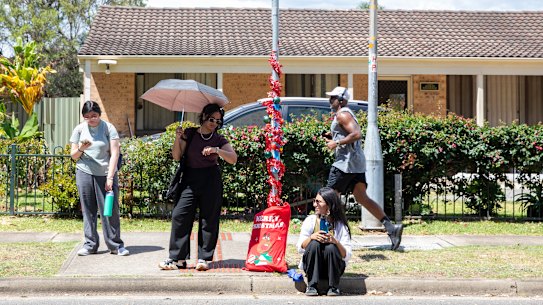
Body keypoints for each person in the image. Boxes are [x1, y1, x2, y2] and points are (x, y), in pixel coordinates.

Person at [159, 103, 237, 271]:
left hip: (211, 179)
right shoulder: (190, 133)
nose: (214, 123)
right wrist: (178, 138)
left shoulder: (219, 139)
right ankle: (177, 259)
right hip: (190, 178)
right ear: (203, 117)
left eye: (218, 121)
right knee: (180, 216)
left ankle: (204, 258)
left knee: (208, 219)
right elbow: (176, 156)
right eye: (211, 119)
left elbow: (233, 158)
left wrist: (217, 150)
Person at [323, 86, 403, 250]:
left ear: (341, 100)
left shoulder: (342, 114)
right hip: (356, 163)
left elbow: (357, 133)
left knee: (328, 197)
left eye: (332, 98)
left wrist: (335, 143)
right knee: (362, 197)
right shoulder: (344, 114)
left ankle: (327, 234)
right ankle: (391, 228)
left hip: (345, 164)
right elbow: (349, 134)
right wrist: (333, 136)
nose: (330, 100)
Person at [70, 100, 129, 256]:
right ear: (84, 117)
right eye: (87, 116)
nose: (92, 119)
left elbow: (115, 153)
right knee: (88, 210)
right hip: (84, 172)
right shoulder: (79, 129)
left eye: (94, 115)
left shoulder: (108, 128)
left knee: (109, 210)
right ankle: (90, 245)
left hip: (106, 173)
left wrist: (110, 177)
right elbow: (74, 155)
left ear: (99, 114)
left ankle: (115, 245)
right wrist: (82, 148)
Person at [296, 187, 352, 296]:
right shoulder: (310, 221)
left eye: (318, 202)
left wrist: (335, 241)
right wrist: (312, 237)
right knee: (314, 243)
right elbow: (300, 247)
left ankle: (333, 287)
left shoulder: (340, 225)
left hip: (333, 268)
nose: (314, 205)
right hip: (313, 266)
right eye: (314, 201)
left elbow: (347, 255)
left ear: (329, 205)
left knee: (331, 247)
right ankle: (312, 285)